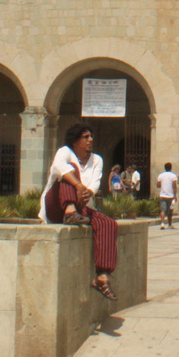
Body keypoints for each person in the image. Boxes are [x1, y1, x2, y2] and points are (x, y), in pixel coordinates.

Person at [39, 124, 118, 299]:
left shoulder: (97, 159)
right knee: (69, 170)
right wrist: (78, 185)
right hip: (56, 204)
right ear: (75, 141)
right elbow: (59, 167)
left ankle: (102, 276)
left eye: (91, 136)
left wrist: (86, 194)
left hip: (81, 204)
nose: (90, 140)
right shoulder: (65, 152)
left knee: (108, 223)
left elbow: (96, 182)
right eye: (86, 137)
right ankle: (69, 212)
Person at [157, 161, 178, 229]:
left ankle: (162, 223)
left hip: (162, 195)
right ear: (171, 168)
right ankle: (169, 224)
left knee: (163, 210)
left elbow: (158, 185)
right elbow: (174, 186)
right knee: (170, 211)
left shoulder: (160, 175)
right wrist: (175, 196)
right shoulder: (173, 176)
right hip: (171, 196)